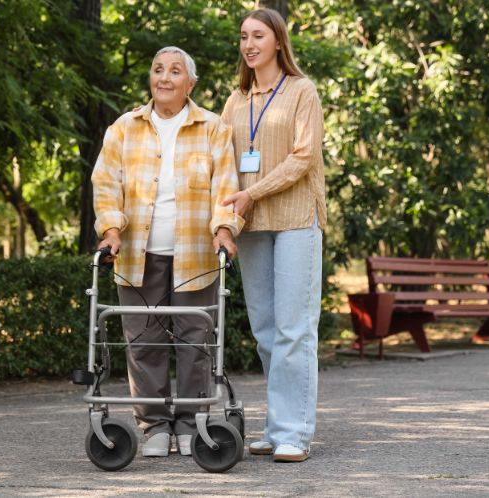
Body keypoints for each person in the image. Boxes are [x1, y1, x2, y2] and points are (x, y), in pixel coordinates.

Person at [92, 46, 244, 458]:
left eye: (175, 71)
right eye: (158, 69)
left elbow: (225, 189)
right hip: (138, 254)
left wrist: (225, 230)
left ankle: (191, 422)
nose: (164, 77)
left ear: (190, 83)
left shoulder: (213, 128)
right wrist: (110, 228)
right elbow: (106, 184)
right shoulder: (124, 128)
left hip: (194, 253)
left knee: (196, 340)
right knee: (143, 341)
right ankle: (155, 426)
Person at [220, 8, 326, 463]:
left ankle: (295, 433)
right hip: (251, 225)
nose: (249, 44)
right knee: (265, 331)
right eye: (243, 36)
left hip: (296, 219)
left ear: (278, 42)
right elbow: (220, 157)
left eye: (258, 35)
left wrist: (252, 192)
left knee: (293, 330)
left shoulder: (302, 91)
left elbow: (304, 158)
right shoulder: (235, 99)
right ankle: (275, 425)